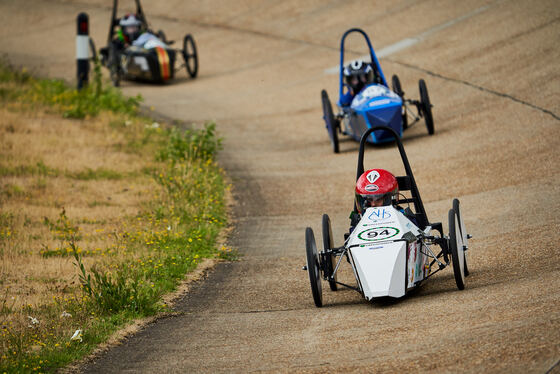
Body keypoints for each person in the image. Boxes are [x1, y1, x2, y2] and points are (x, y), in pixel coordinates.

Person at [348, 168, 417, 233]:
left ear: (390, 199)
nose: (373, 204)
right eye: (369, 200)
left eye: (377, 200)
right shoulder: (360, 222)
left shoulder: (404, 218)